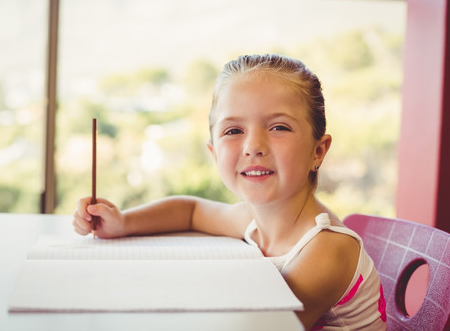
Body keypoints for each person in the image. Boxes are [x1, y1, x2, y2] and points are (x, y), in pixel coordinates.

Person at [73, 54, 387, 330]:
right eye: (233, 131)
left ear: (318, 151)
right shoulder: (252, 219)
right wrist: (124, 222)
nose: (253, 147)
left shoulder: (326, 249)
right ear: (213, 152)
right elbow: (191, 210)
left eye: (278, 127)